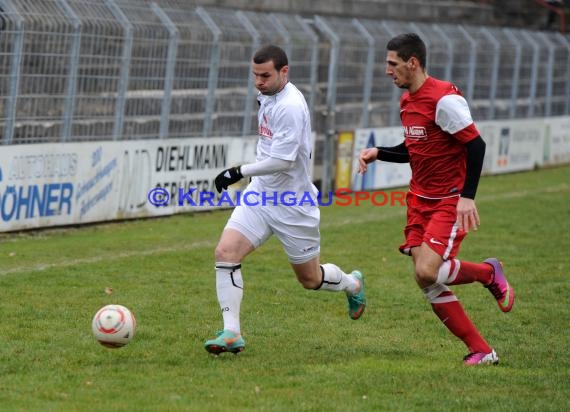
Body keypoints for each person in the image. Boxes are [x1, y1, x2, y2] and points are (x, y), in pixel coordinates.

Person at [358, 33, 514, 366]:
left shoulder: (444, 100)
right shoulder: (407, 102)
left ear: (412, 62)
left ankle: (488, 274)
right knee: (424, 277)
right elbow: (414, 150)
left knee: (428, 270)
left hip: (448, 200)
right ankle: (482, 350)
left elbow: (476, 145)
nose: (388, 71)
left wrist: (466, 198)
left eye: (392, 64)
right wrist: (379, 153)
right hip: (418, 200)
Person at [204, 44, 366, 355]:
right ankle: (231, 333)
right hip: (261, 195)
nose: (259, 82)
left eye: (265, 75)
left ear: (284, 72)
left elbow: (284, 160)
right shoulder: (267, 94)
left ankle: (352, 284)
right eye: (255, 75)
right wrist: (250, 177)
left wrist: (238, 171)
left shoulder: (291, 106)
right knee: (225, 252)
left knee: (309, 278)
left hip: (293, 204)